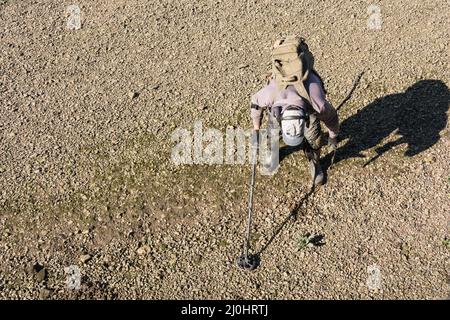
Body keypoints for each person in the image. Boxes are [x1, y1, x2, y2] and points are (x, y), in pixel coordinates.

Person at [250, 36, 339, 186]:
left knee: (315, 139)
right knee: (272, 133)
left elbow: (332, 118)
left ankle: (315, 162)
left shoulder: (316, 101)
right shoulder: (272, 94)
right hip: (278, 110)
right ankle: (273, 154)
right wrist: (256, 130)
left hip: (307, 110)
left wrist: (333, 136)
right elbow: (255, 104)